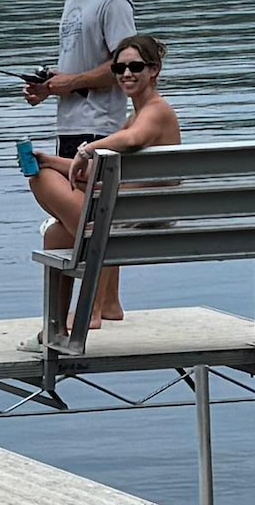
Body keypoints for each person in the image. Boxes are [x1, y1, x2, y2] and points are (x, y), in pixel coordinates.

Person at [27, 32, 178, 307]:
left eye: (136, 67)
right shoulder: (136, 116)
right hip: (131, 208)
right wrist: (49, 160)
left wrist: (85, 150)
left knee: (95, 225)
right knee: (55, 230)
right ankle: (61, 321)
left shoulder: (156, 111)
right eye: (119, 68)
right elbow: (98, 169)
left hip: (145, 216)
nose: (126, 74)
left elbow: (131, 140)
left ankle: (94, 309)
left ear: (154, 70)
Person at [20, 0, 137, 162]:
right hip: (68, 127)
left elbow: (127, 67)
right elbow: (78, 67)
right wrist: (48, 87)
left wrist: (71, 83)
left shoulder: (114, 0)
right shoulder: (72, 0)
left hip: (100, 129)